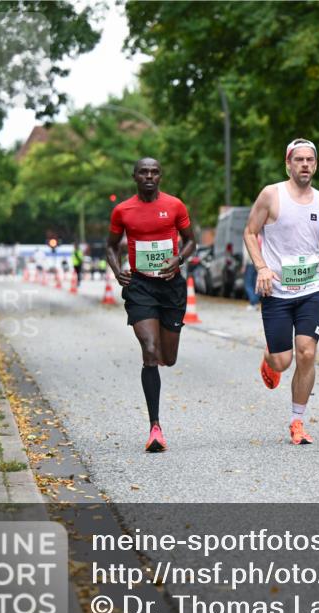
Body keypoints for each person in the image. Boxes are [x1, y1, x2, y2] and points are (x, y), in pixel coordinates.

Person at [244, 138, 319, 445]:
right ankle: (270, 358)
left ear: (315, 165)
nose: (305, 164)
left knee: (307, 352)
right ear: (288, 164)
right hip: (277, 292)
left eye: (310, 160)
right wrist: (262, 267)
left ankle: (297, 421)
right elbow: (250, 232)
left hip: (310, 291)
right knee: (283, 361)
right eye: (299, 159)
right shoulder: (271, 195)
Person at [106, 157, 196, 453]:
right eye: (143, 172)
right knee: (150, 350)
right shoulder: (123, 210)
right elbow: (110, 245)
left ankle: (161, 363)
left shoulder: (175, 206)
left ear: (160, 176)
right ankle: (155, 427)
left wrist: (178, 259)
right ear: (134, 176)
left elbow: (191, 242)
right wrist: (117, 268)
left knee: (167, 358)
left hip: (171, 287)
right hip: (140, 286)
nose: (148, 176)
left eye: (154, 172)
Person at [242, 235, 260, 311]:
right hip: (259, 263)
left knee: (248, 284)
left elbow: (246, 252)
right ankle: (255, 303)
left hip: (250, 263)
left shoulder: (248, 236)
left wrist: (244, 265)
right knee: (255, 284)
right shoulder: (260, 236)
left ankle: (253, 302)